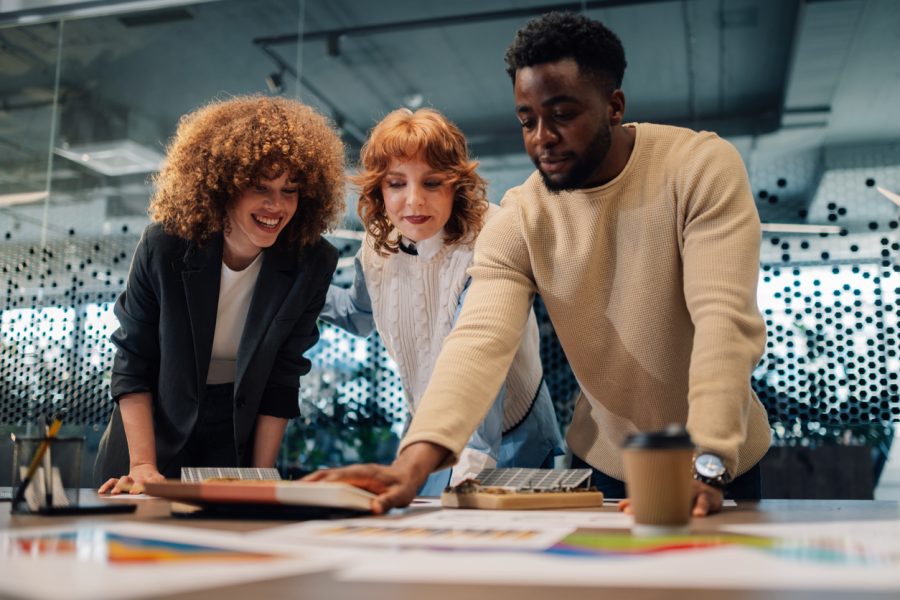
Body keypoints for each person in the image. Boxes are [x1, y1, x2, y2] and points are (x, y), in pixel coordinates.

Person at [307, 12, 771, 516]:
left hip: (718, 459)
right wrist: (412, 465)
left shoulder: (699, 168)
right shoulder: (521, 216)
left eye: (563, 114)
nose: (541, 138)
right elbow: (478, 341)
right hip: (607, 459)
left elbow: (723, 321)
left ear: (614, 106)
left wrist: (708, 460)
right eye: (528, 120)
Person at [95, 95, 346, 494]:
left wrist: (262, 477)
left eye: (290, 189)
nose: (276, 205)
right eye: (260, 186)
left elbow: (283, 376)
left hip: (234, 435)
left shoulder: (311, 263)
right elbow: (134, 360)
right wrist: (143, 465)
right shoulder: (165, 247)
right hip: (147, 439)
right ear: (223, 186)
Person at [319, 108, 562, 494]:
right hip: (430, 431)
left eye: (432, 183)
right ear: (379, 189)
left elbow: (479, 353)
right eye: (396, 184)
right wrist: (289, 287)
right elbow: (357, 316)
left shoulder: (490, 235)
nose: (413, 201)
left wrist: (469, 475)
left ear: (457, 186)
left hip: (511, 433)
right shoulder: (375, 247)